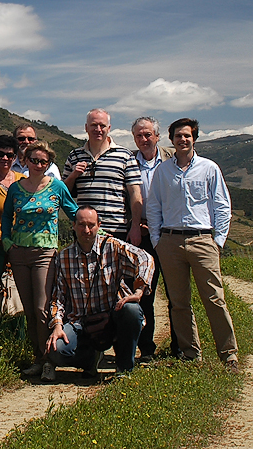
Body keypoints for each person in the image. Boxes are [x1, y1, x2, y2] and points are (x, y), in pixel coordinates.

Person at [147, 118, 240, 373]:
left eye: (187, 135)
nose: (183, 140)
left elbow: (222, 205)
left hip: (202, 239)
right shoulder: (163, 171)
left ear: (194, 139)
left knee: (214, 298)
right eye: (178, 136)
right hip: (170, 241)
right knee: (179, 302)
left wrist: (218, 241)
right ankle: (190, 354)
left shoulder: (209, 168)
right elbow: (154, 206)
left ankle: (229, 355)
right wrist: (157, 241)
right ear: (171, 140)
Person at [45, 206, 154, 381]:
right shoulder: (64, 257)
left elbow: (145, 258)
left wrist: (139, 290)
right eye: (82, 225)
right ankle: (90, 359)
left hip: (112, 317)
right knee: (56, 350)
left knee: (132, 310)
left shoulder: (112, 246)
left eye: (91, 225)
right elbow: (58, 297)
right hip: (80, 322)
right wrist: (57, 325)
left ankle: (124, 367)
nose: (86, 230)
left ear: (99, 225)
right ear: (73, 225)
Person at [2, 140, 78, 381]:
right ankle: (38, 358)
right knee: (29, 310)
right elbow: (7, 216)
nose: (38, 164)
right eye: (33, 160)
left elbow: (73, 212)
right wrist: (6, 242)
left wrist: (93, 229)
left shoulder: (57, 187)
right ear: (25, 161)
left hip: (45, 253)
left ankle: (49, 361)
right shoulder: (16, 188)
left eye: (43, 161)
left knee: (42, 308)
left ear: (49, 163)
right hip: (19, 253)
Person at [131, 116, 178, 362]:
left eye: (148, 134)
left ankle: (180, 346)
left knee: (175, 293)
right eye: (139, 135)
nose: (144, 139)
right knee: (145, 293)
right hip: (142, 234)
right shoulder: (128, 161)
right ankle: (146, 349)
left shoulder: (173, 158)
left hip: (169, 233)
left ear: (157, 137)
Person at [63, 109, 143, 244]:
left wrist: (135, 226)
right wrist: (73, 176)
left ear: (109, 128)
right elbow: (64, 193)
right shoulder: (74, 156)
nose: (98, 129)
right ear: (86, 127)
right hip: (85, 229)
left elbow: (135, 193)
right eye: (94, 125)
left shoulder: (125, 155)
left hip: (116, 229)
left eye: (102, 125)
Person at [0, 135, 24, 302]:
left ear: (14, 157)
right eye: (0, 154)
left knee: (19, 290)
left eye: (9, 155)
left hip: (21, 244)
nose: (5, 158)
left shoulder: (23, 181)